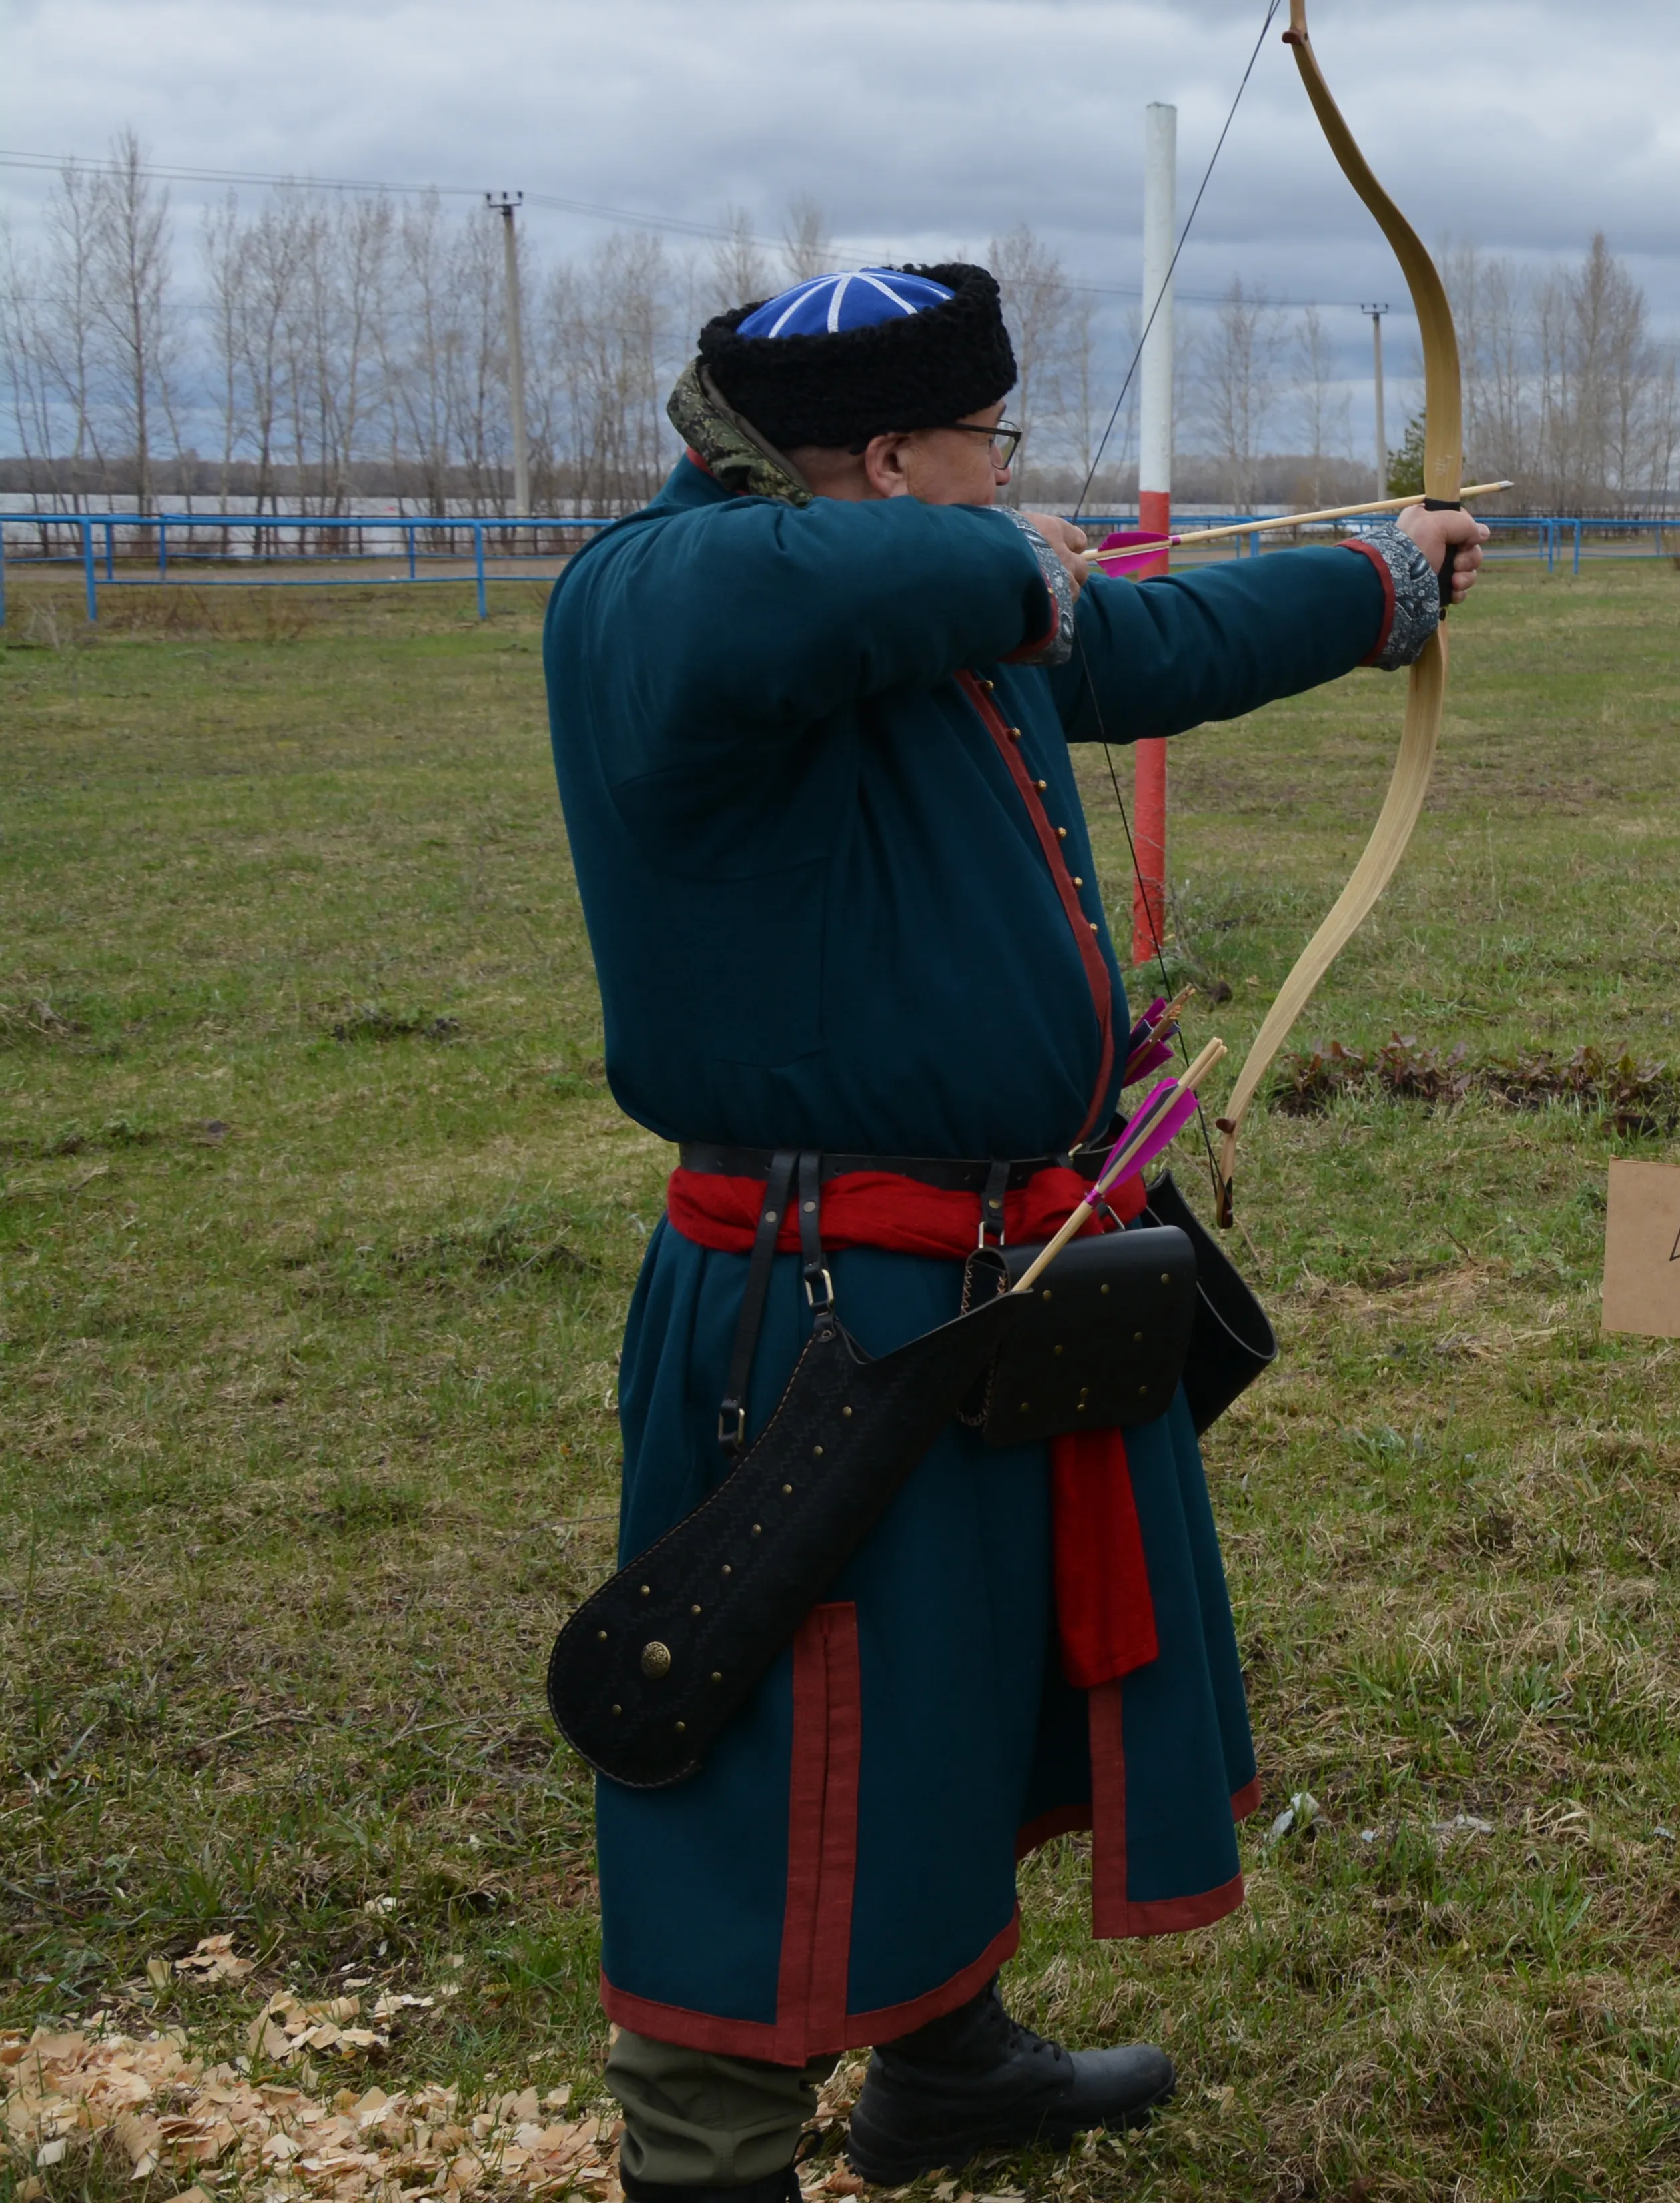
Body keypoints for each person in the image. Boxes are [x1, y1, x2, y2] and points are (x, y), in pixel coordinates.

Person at [542, 263, 1483, 2202]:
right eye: (990, 447)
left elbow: (1143, 644)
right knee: (759, 1741)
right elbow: (821, 594)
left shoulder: (932, 593)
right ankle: (703, 2163)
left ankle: (947, 2062)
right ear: (886, 461)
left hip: (991, 1271)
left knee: (964, 1700)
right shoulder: (658, 594)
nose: (1016, 475)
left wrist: (1385, 578)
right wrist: (999, 561)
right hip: (813, 1302)